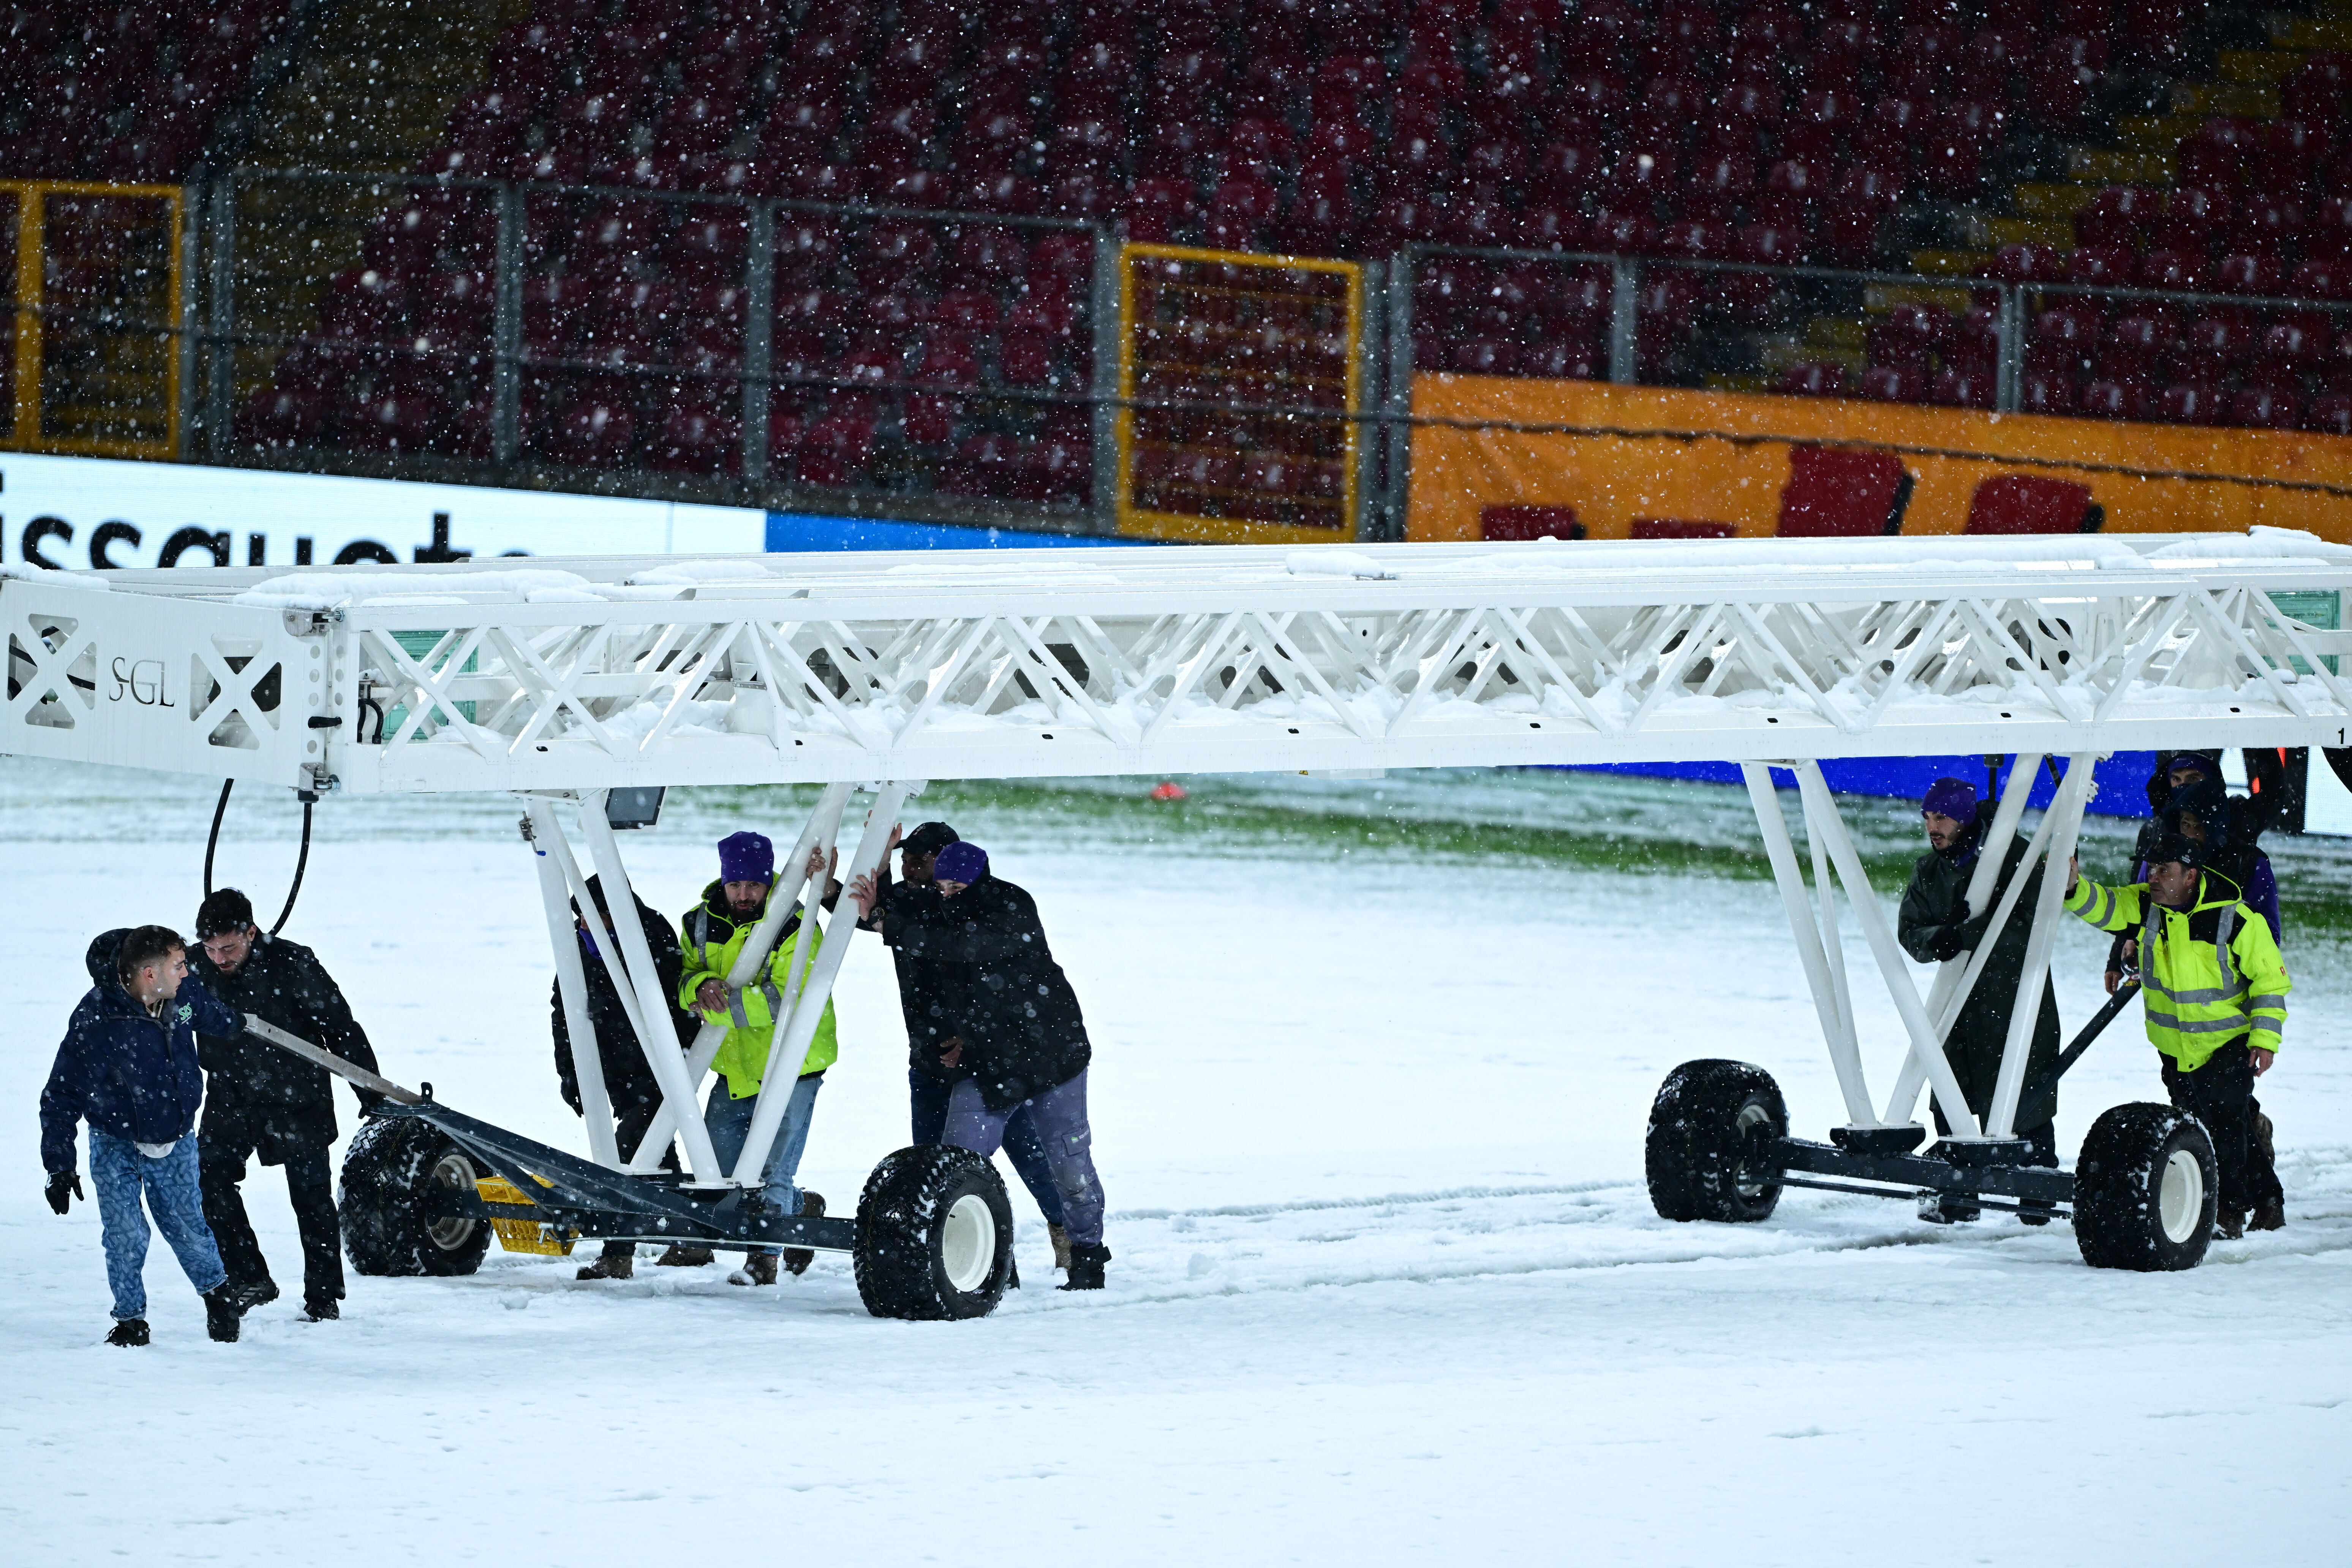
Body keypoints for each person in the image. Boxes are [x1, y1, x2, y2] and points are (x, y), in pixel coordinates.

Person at [850, 840, 1111, 1290]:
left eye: (956, 886)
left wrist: (889, 922)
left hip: (1053, 1055)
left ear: (980, 880)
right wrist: (849, 896)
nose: (948, 894)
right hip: (990, 1059)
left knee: (1069, 1161)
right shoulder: (940, 906)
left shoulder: (1012, 906)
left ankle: (1087, 1253)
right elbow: (893, 911)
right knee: (957, 1164)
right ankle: (987, 1261)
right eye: (943, 886)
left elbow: (963, 946)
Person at [2065, 833, 2289, 1240]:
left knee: (2223, 1130)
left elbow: (2270, 983)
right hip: (2173, 1047)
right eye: (2152, 868)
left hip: (2227, 1044)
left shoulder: (2234, 918)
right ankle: (2270, 1203)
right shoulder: (2147, 905)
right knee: (2224, 1126)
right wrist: (2074, 888)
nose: (2153, 877)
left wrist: (2265, 1040)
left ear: (2191, 876)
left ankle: (2229, 1211)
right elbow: (2108, 907)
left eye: (2163, 870)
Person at [40, 925, 251, 1345]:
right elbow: (62, 1092)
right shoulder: (99, 1020)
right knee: (124, 1231)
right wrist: (59, 1165)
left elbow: (204, 1015)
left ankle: (217, 1295)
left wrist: (233, 1023)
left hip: (174, 1138)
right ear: (150, 974)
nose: (188, 973)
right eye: (179, 966)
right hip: (114, 1141)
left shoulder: (182, 1002)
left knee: (187, 1225)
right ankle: (131, 1320)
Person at [2106, 751, 2289, 1232]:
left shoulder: (2245, 858)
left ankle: (2240, 1202)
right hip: (2179, 1020)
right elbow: (2136, 911)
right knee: (2213, 1114)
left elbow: (2263, 942)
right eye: (2177, 782)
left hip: (2231, 1008)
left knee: (2226, 1117)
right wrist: (2121, 953)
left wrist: (2260, 1025)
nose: (2182, 795)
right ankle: (2256, 1194)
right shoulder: (2159, 843)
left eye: (2194, 783)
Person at [186, 890, 383, 1323]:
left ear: (251, 933)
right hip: (230, 1094)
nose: (220, 958)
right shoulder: (192, 965)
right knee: (207, 1180)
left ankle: (323, 1296)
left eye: (229, 947)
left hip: (297, 1095)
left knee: (311, 1198)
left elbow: (340, 1028)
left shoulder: (294, 963)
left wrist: (371, 1092)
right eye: (211, 948)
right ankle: (250, 1276)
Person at [1896, 778, 2063, 1224]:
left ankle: (2037, 1192)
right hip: (1956, 1004)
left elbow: (2029, 925)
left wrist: (1962, 934)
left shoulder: (2015, 855)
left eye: (1942, 818)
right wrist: (1941, 939)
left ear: (1966, 818)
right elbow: (1910, 934)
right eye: (1928, 817)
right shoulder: (1928, 871)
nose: (1933, 827)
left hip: (2014, 998)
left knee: (2026, 1096)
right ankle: (1959, 1194)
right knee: (1949, 1096)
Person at [678, 830, 840, 1285]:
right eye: (735, 885)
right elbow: (685, 978)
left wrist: (716, 1005)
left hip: (794, 1066)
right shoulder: (697, 923)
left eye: (753, 886)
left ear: (768, 883)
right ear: (723, 882)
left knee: (774, 1170)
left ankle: (764, 1258)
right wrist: (698, 989)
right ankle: (803, 1210)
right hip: (734, 1067)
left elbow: (785, 999)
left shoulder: (796, 924)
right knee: (718, 1166)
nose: (744, 895)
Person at [558, 875, 699, 1282]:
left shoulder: (652, 938)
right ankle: (693, 1238)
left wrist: (680, 1065)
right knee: (654, 1157)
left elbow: (677, 1008)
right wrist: (571, 1072)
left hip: (659, 1071)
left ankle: (617, 1254)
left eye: (595, 915)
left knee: (626, 1159)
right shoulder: (579, 946)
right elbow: (562, 1010)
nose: (585, 924)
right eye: (581, 916)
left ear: (617, 912)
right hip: (616, 1073)